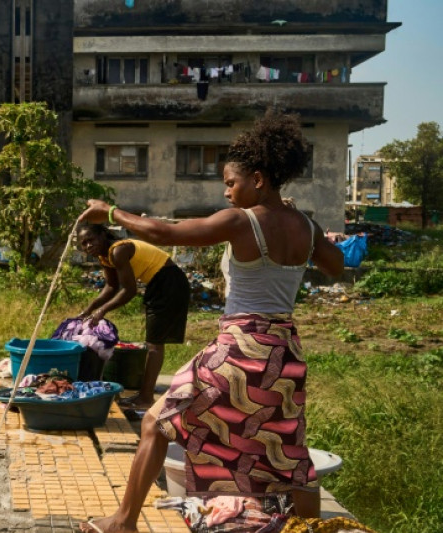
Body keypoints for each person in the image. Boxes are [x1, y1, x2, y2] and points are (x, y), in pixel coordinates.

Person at [76, 110, 344, 533]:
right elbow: (337, 265)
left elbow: (164, 232)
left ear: (259, 179)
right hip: (284, 353)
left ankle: (123, 523)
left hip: (239, 347)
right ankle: (310, 530)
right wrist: (303, 225)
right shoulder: (306, 226)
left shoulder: (241, 221)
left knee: (156, 423)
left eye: (231, 183)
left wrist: (111, 213)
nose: (226, 192)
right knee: (290, 453)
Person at [76, 224, 190, 408]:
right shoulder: (105, 256)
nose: (88, 245)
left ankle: (146, 397)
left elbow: (129, 291)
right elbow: (111, 287)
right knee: (154, 343)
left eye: (91, 240)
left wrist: (102, 311)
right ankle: (144, 394)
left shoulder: (118, 250)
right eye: (83, 243)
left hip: (169, 282)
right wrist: (88, 310)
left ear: (103, 235)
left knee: (154, 345)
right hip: (159, 282)